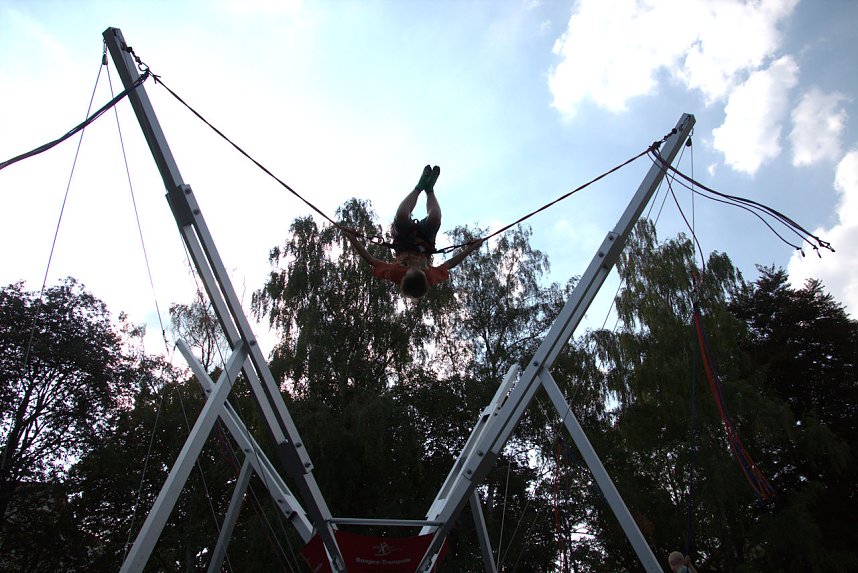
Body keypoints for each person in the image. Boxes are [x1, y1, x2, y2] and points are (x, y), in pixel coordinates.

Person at [343, 165, 483, 299]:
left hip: (403, 239)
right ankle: (429, 190)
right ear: (425, 278)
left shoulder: (395, 273)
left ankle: (418, 187)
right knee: (435, 217)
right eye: (420, 271)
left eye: (411, 270)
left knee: (402, 214)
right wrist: (472, 248)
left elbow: (370, 260)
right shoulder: (430, 277)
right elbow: (450, 264)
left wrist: (352, 238)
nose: (416, 268)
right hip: (425, 240)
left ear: (404, 276)